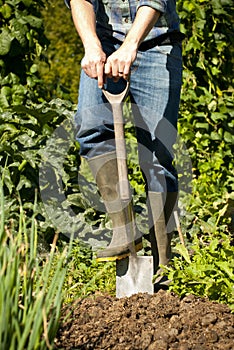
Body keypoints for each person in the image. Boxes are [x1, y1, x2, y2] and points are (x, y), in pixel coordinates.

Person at [64, 0, 184, 274]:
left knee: (156, 153)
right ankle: (124, 231)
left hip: (156, 45)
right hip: (103, 45)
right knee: (92, 130)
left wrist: (130, 46)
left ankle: (163, 263)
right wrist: (91, 45)